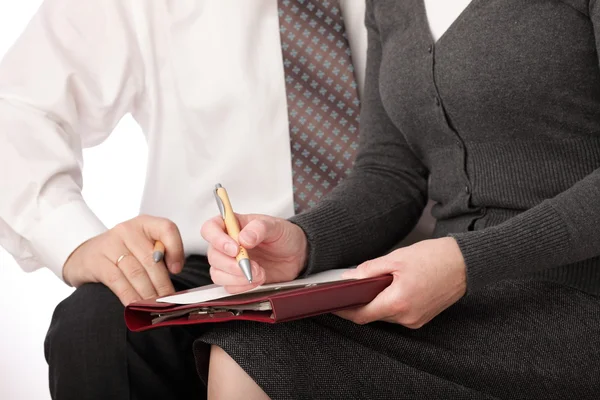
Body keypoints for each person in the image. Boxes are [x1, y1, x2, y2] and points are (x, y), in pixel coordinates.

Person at [1, 0, 431, 399]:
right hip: (220, 268)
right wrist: (70, 236)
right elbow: (18, 108)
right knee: (96, 328)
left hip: (406, 256)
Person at [198, 0, 600, 398]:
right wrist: (304, 242)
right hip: (461, 299)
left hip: (578, 295)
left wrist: (467, 262)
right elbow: (390, 173)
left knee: (261, 352)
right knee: (250, 338)